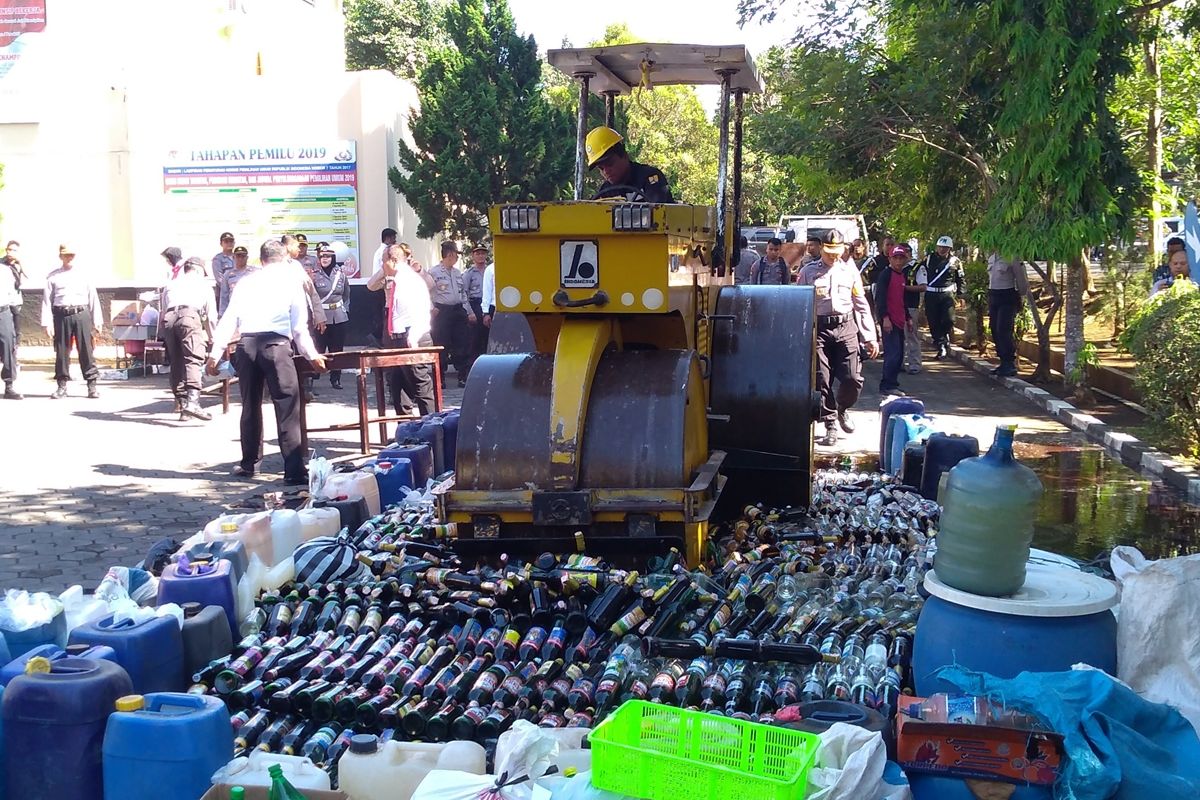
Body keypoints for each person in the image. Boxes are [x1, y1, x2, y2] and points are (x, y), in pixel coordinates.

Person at [206, 240, 327, 484]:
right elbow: (299, 327)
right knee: (287, 408)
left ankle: (249, 464)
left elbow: (230, 318)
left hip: (246, 346)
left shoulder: (245, 282)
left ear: (261, 260)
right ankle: (293, 470)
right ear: (283, 259)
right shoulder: (292, 283)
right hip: (276, 347)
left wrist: (214, 352)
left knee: (250, 406)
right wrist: (312, 355)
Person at [797, 230, 880, 446]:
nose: (833, 256)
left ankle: (842, 407)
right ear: (822, 248)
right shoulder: (808, 272)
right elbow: (800, 304)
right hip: (820, 329)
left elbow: (861, 305)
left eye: (837, 252)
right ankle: (830, 423)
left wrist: (870, 337)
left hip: (846, 327)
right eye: (829, 252)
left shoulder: (849, 272)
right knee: (822, 379)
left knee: (853, 377)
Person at [367, 243, 435, 417]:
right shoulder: (397, 279)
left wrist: (412, 337)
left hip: (413, 336)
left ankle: (430, 429)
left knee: (420, 386)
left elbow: (422, 312)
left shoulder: (411, 280)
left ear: (393, 260)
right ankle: (406, 430)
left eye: (384, 262)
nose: (383, 266)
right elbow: (371, 286)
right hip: (397, 337)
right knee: (398, 386)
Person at [42, 244, 104, 399]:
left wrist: (98, 320)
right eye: (66, 255)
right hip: (61, 315)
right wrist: (47, 323)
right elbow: (46, 301)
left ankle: (92, 386)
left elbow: (93, 298)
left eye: (71, 255)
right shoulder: (53, 277)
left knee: (86, 350)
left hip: (81, 314)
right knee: (62, 352)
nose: (69, 258)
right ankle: (62, 386)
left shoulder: (84, 275)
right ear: (60, 257)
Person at [159, 256, 217, 420]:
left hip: (169, 319)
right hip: (189, 317)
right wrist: (213, 338)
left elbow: (164, 310)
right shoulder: (204, 285)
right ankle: (192, 403)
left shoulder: (171, 283)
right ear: (199, 270)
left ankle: (182, 404)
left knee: (176, 361)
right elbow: (211, 317)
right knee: (193, 358)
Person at [584, 126, 675, 203]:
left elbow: (658, 212)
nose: (606, 171)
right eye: (601, 168)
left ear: (624, 155)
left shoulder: (650, 177)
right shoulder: (605, 192)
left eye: (610, 164)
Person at [429, 241, 475, 387]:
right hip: (442, 311)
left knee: (462, 343)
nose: (457, 258)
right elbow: (425, 292)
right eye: (456, 255)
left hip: (458, 310)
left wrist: (470, 312)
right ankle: (439, 378)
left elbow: (463, 294)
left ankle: (462, 375)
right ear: (450, 254)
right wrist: (431, 308)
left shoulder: (457, 273)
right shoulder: (434, 272)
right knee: (441, 345)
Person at [309, 243, 349, 391]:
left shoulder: (341, 274)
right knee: (318, 348)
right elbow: (311, 296)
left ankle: (336, 378)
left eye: (328, 256)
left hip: (339, 317)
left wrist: (344, 311)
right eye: (322, 256)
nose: (325, 259)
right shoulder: (314, 275)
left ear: (333, 258)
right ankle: (312, 379)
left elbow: (346, 295)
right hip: (321, 317)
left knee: (337, 350)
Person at [874, 246, 913, 395]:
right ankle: (887, 385)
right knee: (892, 354)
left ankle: (893, 383)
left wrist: (908, 317)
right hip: (889, 321)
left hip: (900, 319)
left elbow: (902, 299)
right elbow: (881, 298)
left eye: (901, 258)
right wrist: (885, 318)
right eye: (895, 258)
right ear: (889, 259)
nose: (898, 261)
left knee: (899, 354)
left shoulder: (902, 275)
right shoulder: (886, 275)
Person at [919, 235, 965, 359]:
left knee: (949, 319)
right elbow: (918, 272)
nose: (942, 250)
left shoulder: (955, 261)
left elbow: (960, 279)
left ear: (949, 248)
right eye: (940, 247)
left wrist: (961, 295)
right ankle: (941, 345)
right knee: (933, 321)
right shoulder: (928, 259)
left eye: (945, 247)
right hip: (931, 293)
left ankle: (944, 336)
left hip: (947, 294)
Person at [987, 252, 1030, 377]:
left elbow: (1021, 277)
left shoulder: (1012, 256)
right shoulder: (991, 257)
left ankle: (1009, 362)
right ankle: (1002, 361)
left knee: (1003, 328)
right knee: (994, 328)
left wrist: (1022, 296)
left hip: (1008, 295)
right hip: (993, 295)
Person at [0, 240, 23, 399]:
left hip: (4, 311)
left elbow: (14, 294)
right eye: (8, 250)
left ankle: (9, 386)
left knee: (8, 347)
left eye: (13, 250)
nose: (10, 252)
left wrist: (15, 318)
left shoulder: (10, 269)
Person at [463, 244, 490, 376]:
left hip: (488, 305)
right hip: (475, 304)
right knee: (474, 339)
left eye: (483, 253)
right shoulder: (469, 273)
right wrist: (470, 312)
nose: (480, 256)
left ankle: (487, 368)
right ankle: (471, 369)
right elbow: (464, 294)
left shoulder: (490, 270)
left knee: (487, 338)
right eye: (477, 253)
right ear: (473, 256)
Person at [901, 242, 927, 375]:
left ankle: (915, 364)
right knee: (898, 336)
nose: (901, 257)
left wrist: (905, 288)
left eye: (903, 254)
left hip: (910, 306)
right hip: (896, 306)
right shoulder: (895, 267)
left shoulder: (917, 267)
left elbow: (923, 286)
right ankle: (898, 362)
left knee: (911, 335)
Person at [218, 245, 255, 316]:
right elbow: (224, 296)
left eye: (243, 256)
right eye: (238, 256)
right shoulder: (227, 275)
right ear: (233, 257)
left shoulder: (254, 272)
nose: (240, 258)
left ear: (247, 258)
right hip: (234, 309)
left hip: (250, 308)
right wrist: (222, 314)